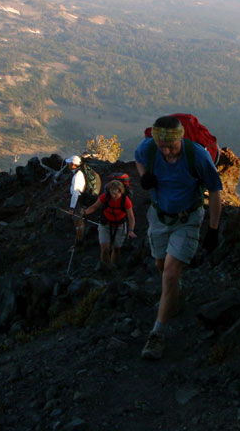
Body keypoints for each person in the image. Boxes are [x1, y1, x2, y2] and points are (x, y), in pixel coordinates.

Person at [134, 116, 223, 360]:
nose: (166, 151)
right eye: (161, 146)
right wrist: (144, 176)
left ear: (180, 138)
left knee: (171, 273)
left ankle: (157, 334)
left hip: (188, 219)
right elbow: (138, 158)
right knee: (161, 266)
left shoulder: (198, 157)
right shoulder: (149, 148)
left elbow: (215, 191)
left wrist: (213, 229)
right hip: (159, 217)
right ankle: (173, 294)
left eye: (170, 146)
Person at [83, 179, 136, 270]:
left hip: (119, 226)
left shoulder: (126, 201)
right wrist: (85, 212)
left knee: (116, 249)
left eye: (116, 194)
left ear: (121, 192)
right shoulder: (105, 197)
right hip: (105, 224)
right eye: (112, 193)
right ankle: (106, 268)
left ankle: (114, 267)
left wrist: (131, 230)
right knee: (104, 249)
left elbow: (131, 217)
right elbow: (95, 206)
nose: (113, 196)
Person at [66, 155, 100, 246]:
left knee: (78, 221)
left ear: (73, 164)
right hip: (82, 199)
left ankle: (79, 242)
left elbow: (76, 193)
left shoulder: (77, 176)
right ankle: (80, 240)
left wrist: (72, 208)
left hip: (79, 200)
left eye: (69, 163)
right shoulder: (80, 173)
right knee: (79, 220)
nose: (67, 164)